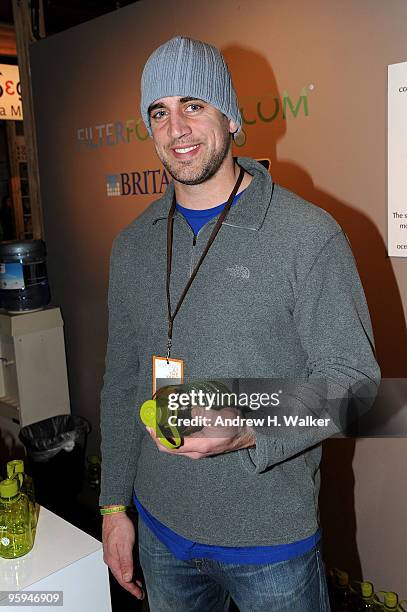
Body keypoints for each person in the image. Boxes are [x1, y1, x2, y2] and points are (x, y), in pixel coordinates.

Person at [100, 36, 380, 611]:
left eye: (193, 106)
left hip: (270, 544)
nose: (176, 127)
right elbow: (122, 380)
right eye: (159, 112)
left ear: (230, 115)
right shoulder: (133, 245)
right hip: (160, 532)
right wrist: (112, 508)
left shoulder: (308, 235)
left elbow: (358, 384)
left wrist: (248, 422)